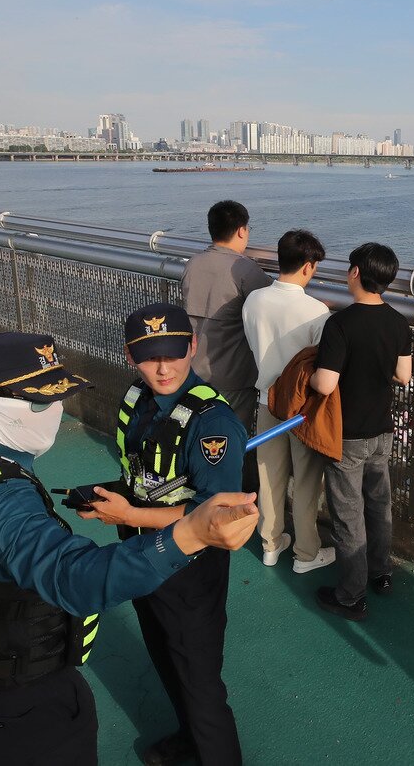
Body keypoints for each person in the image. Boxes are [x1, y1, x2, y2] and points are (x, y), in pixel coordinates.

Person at [0, 331, 259, 766]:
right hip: (21, 710)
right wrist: (191, 532)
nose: (56, 413)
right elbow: (77, 581)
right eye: (41, 402)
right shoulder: (2, 500)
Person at [83, 303, 247, 766]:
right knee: (163, 651)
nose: (163, 367)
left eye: (174, 353)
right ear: (129, 356)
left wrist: (129, 513)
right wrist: (112, 501)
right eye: (149, 356)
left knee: (198, 675)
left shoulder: (213, 423)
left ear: (192, 347)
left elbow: (218, 517)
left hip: (191, 566)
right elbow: (142, 473)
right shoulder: (138, 400)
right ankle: (189, 737)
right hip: (141, 551)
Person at [310, 242, 412, 621]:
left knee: (348, 514)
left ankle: (351, 595)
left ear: (355, 272)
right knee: (379, 504)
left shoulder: (339, 324)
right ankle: (381, 572)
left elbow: (324, 384)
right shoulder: (398, 321)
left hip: (346, 433)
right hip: (382, 429)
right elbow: (404, 375)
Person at [242, 229, 335, 572]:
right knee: (307, 482)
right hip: (301, 412)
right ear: (309, 266)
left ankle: (270, 543)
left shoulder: (253, 301)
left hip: (266, 401)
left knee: (270, 476)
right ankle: (306, 554)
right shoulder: (316, 311)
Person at [181, 200, 272, 489]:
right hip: (233, 376)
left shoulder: (193, 264)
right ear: (243, 231)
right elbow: (272, 300)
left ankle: (194, 494)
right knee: (232, 444)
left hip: (194, 372)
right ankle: (228, 502)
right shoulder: (244, 269)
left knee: (197, 436)